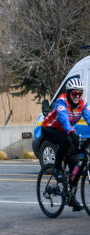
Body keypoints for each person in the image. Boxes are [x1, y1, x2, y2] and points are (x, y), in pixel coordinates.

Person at [42, 78, 90, 211]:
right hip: (49, 128)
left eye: (79, 93)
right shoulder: (61, 102)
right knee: (67, 140)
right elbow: (64, 120)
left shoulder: (83, 103)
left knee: (75, 164)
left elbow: (89, 117)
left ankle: (71, 197)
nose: (77, 96)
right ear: (69, 93)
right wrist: (72, 133)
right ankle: (57, 168)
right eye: (74, 93)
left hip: (66, 131)